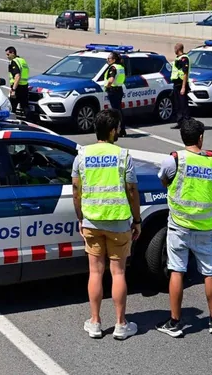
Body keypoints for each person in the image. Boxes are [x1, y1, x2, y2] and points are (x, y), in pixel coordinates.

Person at [72, 110, 141, 340]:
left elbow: (76, 190)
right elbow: (132, 190)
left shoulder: (82, 155)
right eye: (119, 127)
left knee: (95, 272)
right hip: (119, 222)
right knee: (118, 272)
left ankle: (95, 322)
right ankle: (121, 324)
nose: (120, 131)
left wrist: (81, 218)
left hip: (92, 220)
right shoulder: (123, 155)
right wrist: (137, 219)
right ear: (112, 130)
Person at [156, 118, 212, 338]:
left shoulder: (175, 159)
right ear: (201, 138)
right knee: (210, 272)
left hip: (179, 225)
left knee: (177, 270)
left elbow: (164, 182)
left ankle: (175, 322)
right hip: (206, 226)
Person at [104, 51, 127, 137]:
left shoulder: (113, 68)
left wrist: (107, 86)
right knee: (118, 110)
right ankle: (122, 129)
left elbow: (111, 80)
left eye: (109, 58)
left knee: (115, 112)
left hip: (113, 90)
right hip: (119, 89)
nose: (108, 60)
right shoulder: (120, 67)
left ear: (113, 59)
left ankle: (118, 130)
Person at [5, 46, 30, 119]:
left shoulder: (14, 62)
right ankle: (30, 122)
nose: (7, 57)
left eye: (8, 54)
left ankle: (12, 122)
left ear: (13, 53)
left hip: (17, 87)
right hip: (24, 87)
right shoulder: (22, 61)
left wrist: (13, 90)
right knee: (25, 106)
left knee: (12, 107)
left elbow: (17, 76)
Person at [170, 43, 191, 129]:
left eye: (175, 48)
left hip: (181, 84)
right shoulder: (178, 58)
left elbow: (185, 73)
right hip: (176, 84)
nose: (174, 50)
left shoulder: (184, 58)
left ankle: (187, 123)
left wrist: (183, 87)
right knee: (177, 105)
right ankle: (180, 122)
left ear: (177, 49)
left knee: (183, 105)